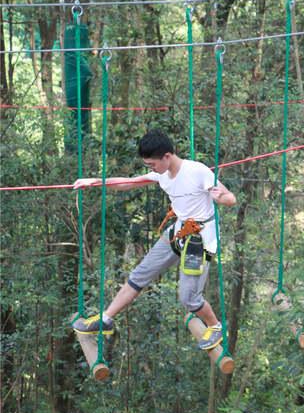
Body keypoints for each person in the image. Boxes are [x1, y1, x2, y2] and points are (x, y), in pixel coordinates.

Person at [71, 129, 237, 350]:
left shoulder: (198, 172)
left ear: (167, 156)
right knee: (140, 274)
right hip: (178, 231)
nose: (151, 169)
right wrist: (94, 182)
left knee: (188, 299)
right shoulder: (161, 173)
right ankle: (106, 319)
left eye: (152, 164)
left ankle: (215, 326)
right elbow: (128, 183)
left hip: (199, 241)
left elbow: (230, 198)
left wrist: (221, 198)